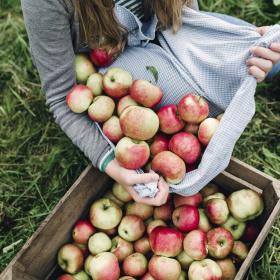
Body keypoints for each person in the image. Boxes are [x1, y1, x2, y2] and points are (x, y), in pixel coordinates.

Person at [21, 0, 280, 206]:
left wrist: (238, 44)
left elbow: (184, 16)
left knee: (266, 58)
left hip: (165, 30)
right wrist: (113, 165)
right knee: (184, 114)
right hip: (111, 59)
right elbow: (60, 96)